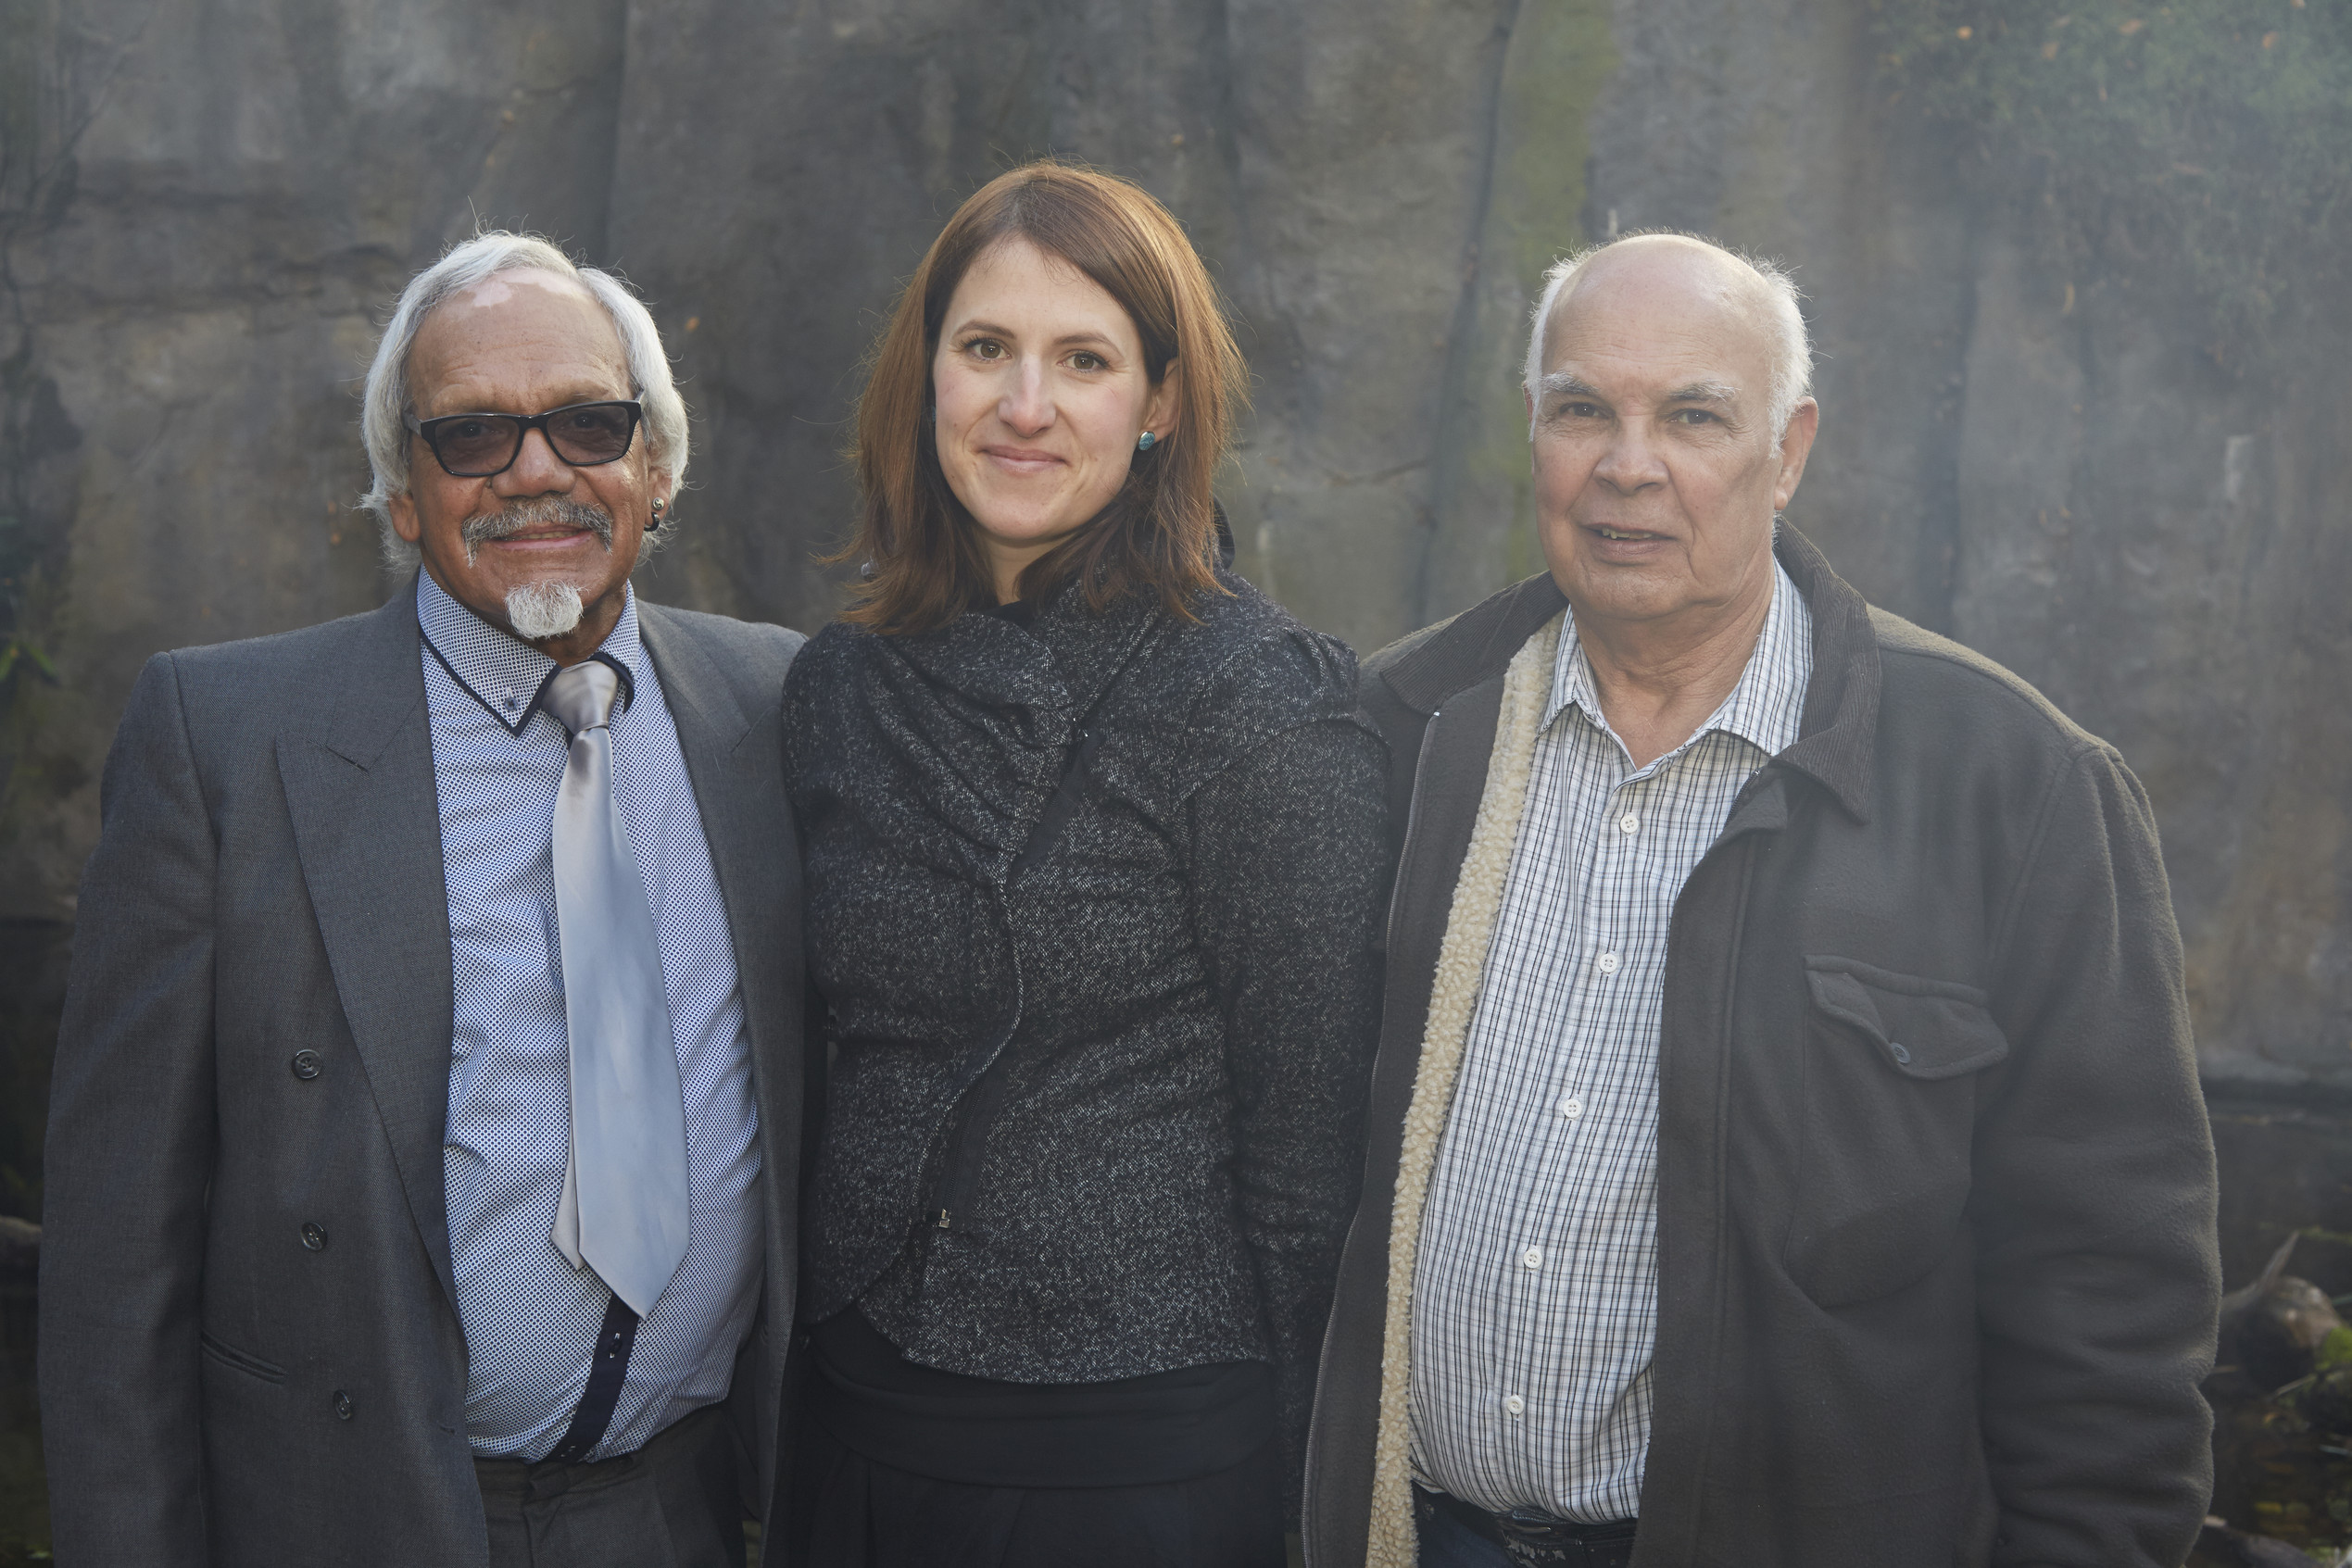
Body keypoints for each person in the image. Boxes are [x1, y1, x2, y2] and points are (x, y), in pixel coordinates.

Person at [1302, 232, 2220, 1567]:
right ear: (1532, 433)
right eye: (1582, 410)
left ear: (1787, 453)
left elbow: (2110, 1289)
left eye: (1693, 416)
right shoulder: (1396, 731)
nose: (1628, 466)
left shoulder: (2013, 784)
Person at [39, 232, 808, 1567]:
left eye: (588, 422)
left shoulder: (776, 707)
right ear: (402, 492)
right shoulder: (224, 743)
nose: (536, 471)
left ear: (657, 467)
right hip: (352, 1517)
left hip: (680, 1518)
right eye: (472, 435)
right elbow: (115, 1270)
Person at [782, 161, 1388, 1566]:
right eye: (986, 347)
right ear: (925, 375)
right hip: (857, 1425)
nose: (1025, 404)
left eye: (1085, 360)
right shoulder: (842, 688)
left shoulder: (1263, 705)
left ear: (1161, 403)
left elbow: (1308, 1172)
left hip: (1136, 1463)